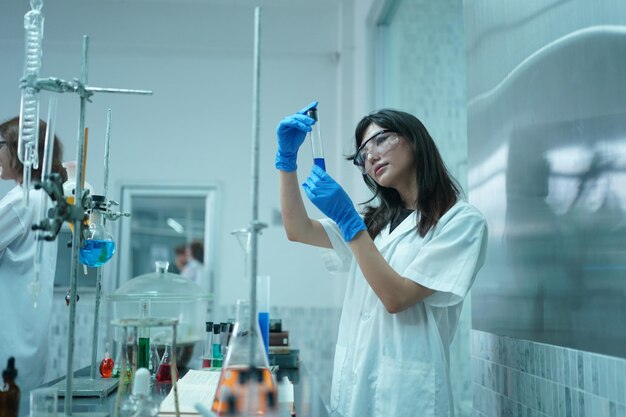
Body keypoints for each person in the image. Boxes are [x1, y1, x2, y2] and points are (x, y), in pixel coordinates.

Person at [275, 102, 488, 417]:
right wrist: (286, 162)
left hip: (407, 398)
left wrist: (350, 224)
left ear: (415, 140)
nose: (370, 156)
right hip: (356, 384)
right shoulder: (373, 221)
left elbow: (397, 297)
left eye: (379, 140)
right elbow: (297, 229)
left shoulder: (461, 221)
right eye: (362, 154)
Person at [0, 117, 67, 408]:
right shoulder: (44, 197)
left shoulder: (21, 201)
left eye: (0, 144)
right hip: (27, 339)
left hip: (8, 340)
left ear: (19, 150)